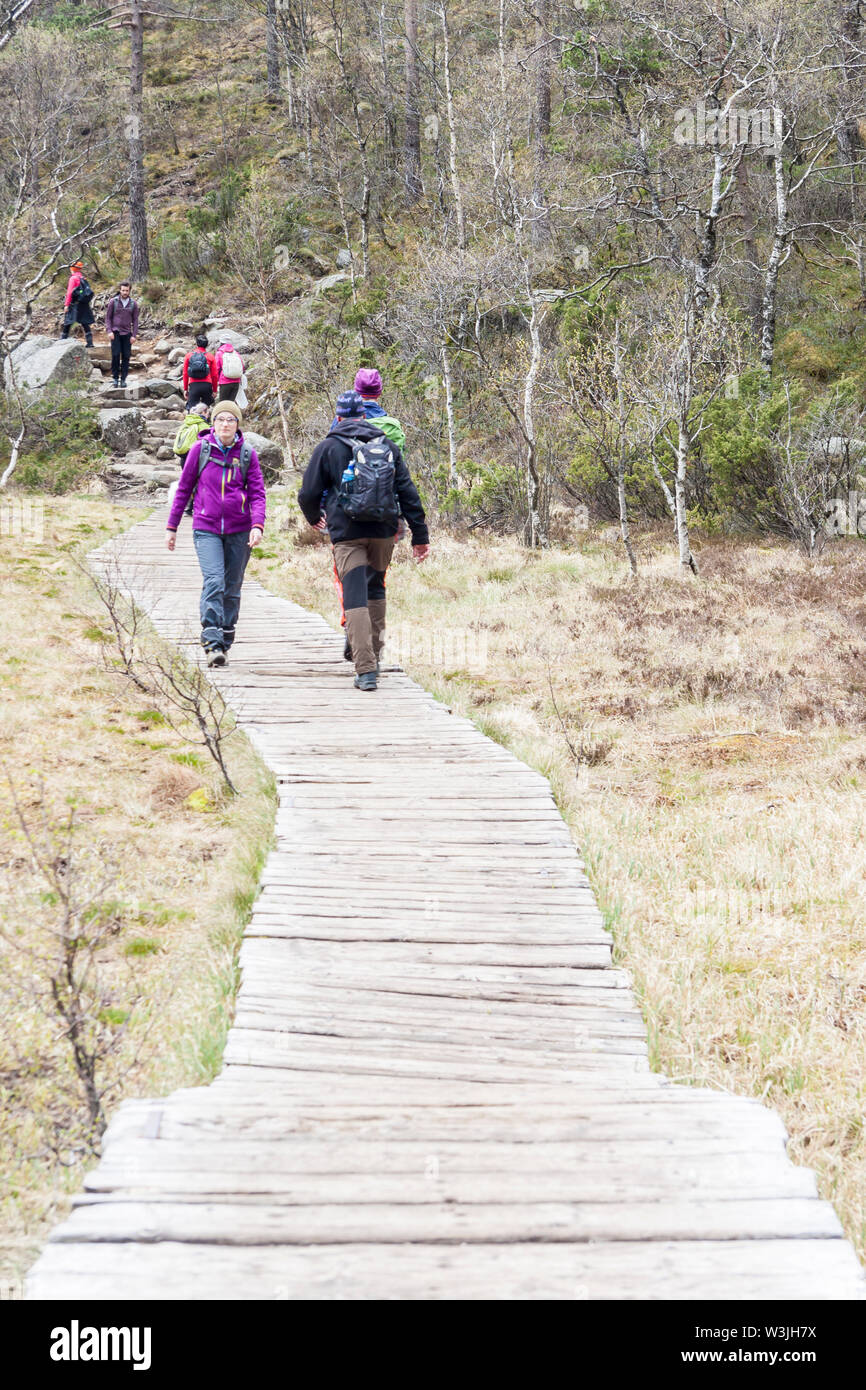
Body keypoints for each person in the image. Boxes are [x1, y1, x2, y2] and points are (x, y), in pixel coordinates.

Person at [298, 390, 429, 692]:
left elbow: (307, 493)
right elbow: (408, 493)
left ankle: (366, 669)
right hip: (384, 532)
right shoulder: (387, 445)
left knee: (355, 594)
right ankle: (375, 657)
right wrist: (420, 537)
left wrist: (314, 517)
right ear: (366, 415)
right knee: (376, 589)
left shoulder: (328, 446)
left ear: (339, 416)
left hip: (347, 533)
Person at [165, 400, 266, 667]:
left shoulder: (246, 453)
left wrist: (257, 525)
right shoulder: (200, 449)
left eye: (230, 420)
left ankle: (226, 635)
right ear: (213, 423)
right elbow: (184, 490)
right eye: (220, 419)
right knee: (214, 581)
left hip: (239, 530)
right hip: (206, 528)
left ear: (237, 424)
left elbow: (257, 494)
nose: (225, 424)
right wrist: (172, 527)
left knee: (232, 587)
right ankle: (212, 640)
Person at [105, 280, 139, 387]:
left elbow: (136, 320)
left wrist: (134, 335)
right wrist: (109, 331)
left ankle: (123, 379)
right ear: (120, 290)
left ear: (129, 291)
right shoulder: (113, 302)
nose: (125, 292)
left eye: (127, 290)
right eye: (123, 290)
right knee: (115, 355)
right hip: (115, 333)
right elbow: (108, 318)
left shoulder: (133, 304)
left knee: (126, 356)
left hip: (127, 333)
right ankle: (115, 378)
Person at [59, 261, 95, 349]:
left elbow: (69, 293)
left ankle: (62, 341)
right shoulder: (82, 278)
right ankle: (90, 343)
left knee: (68, 322)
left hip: (74, 304)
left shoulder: (73, 278)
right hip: (83, 304)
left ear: (72, 269)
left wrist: (66, 305)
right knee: (85, 323)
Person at [183, 333, 218, 409]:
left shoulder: (189, 356)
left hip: (193, 385)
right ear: (207, 344)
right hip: (207, 385)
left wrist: (185, 389)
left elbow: (185, 373)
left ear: (196, 344)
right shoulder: (210, 356)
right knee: (206, 409)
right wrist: (215, 390)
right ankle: (205, 420)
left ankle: (193, 420)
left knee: (192, 409)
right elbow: (215, 375)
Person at [214, 336, 245, 402]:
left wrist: (215, 381)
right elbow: (242, 366)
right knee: (231, 403)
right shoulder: (235, 353)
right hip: (236, 381)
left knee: (223, 404)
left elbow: (216, 368)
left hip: (224, 381)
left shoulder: (219, 353)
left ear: (221, 342)